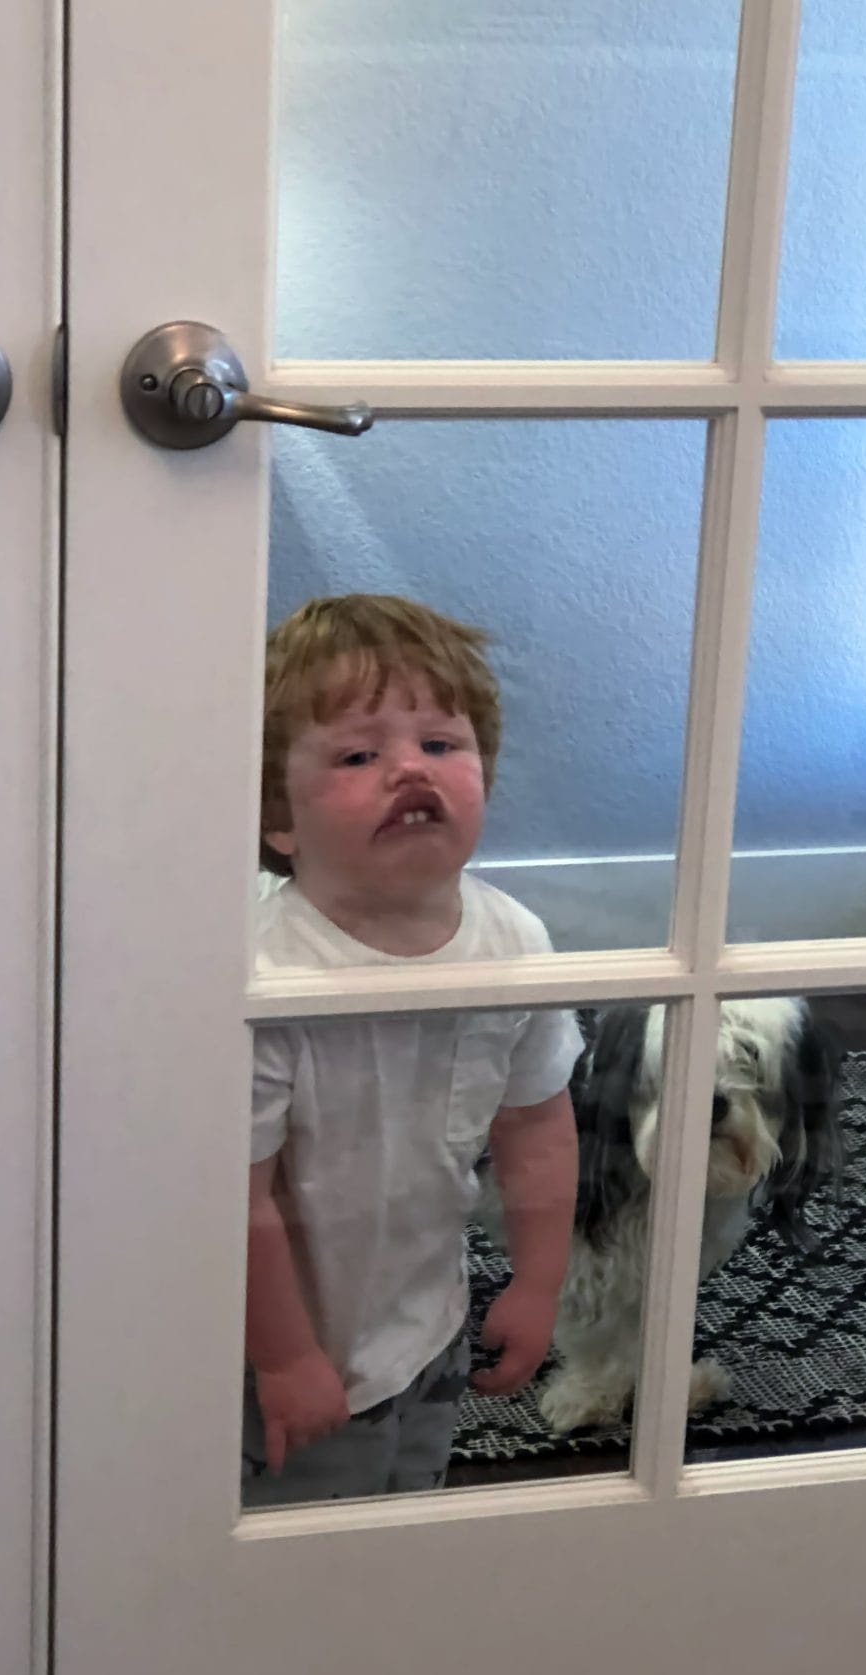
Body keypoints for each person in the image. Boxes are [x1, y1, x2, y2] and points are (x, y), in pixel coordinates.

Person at [243, 593, 582, 1503]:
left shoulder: (514, 939)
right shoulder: (257, 973)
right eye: (359, 755)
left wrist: (538, 1283)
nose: (408, 771)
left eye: (441, 745)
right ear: (280, 820)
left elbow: (537, 1126)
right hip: (277, 1345)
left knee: (407, 1521)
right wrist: (283, 1359)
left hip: (427, 1324)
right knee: (302, 1565)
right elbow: (236, 1195)